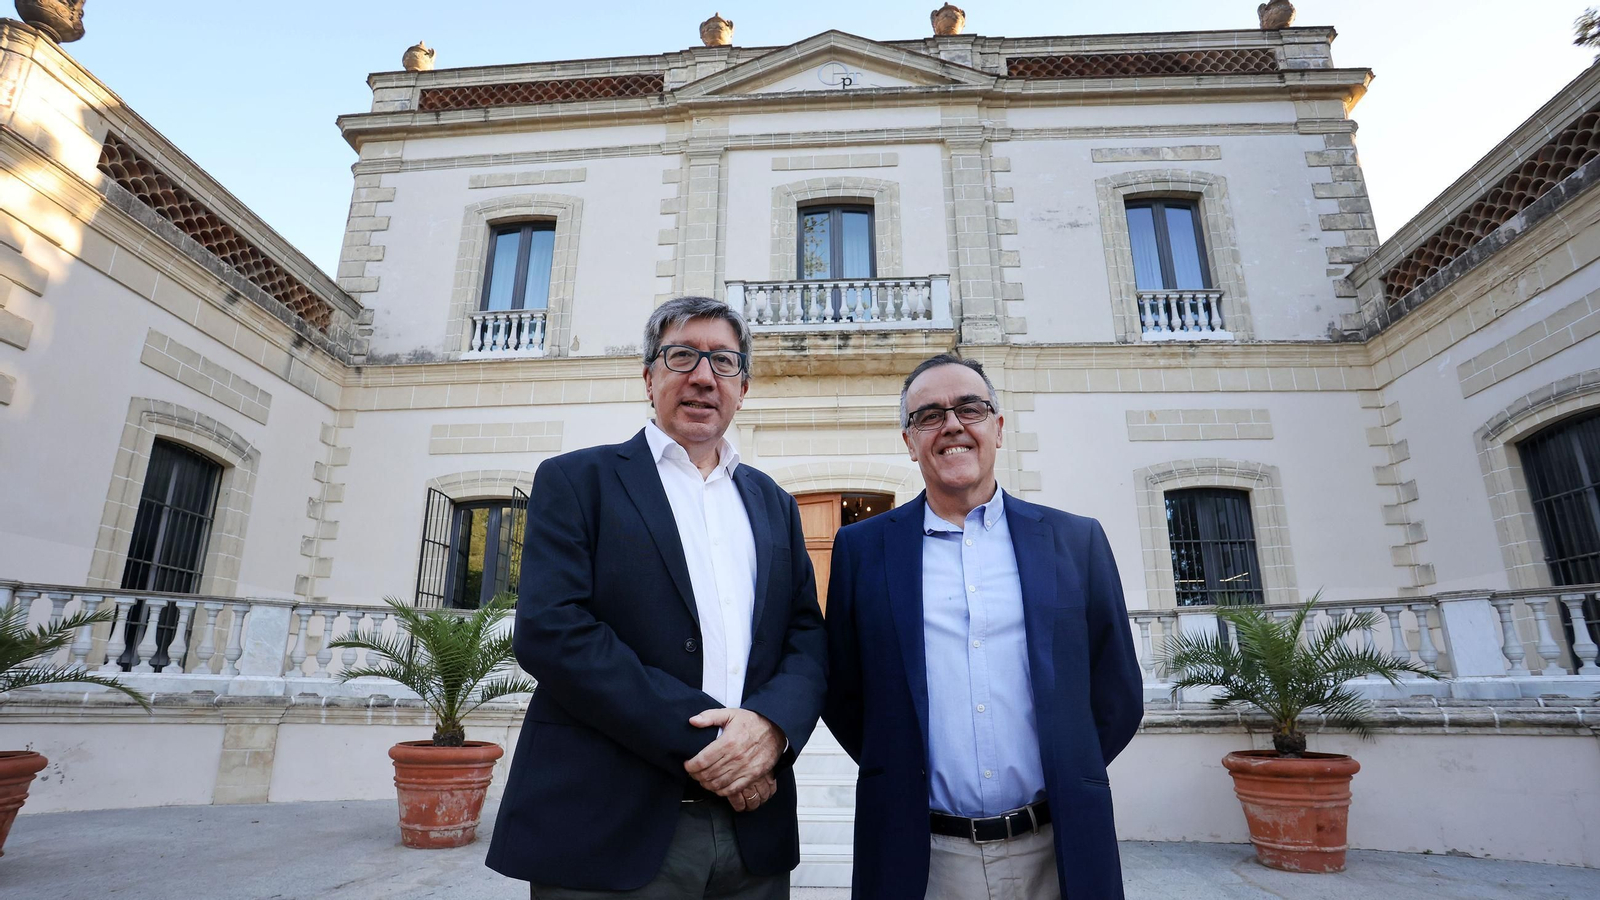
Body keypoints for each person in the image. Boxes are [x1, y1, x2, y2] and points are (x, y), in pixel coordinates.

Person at [486, 296, 828, 899]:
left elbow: (806, 635)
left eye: (723, 361)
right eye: (682, 356)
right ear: (649, 377)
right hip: (608, 827)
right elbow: (553, 632)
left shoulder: (773, 501)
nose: (703, 375)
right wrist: (721, 748)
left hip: (754, 835)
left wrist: (772, 731)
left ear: (742, 387)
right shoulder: (576, 481)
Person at [822, 353, 1144, 900]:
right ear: (909, 440)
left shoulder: (1076, 541)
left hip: (1057, 848)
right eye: (929, 415)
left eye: (969, 408)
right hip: (922, 857)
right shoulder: (862, 550)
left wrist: (1068, 768)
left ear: (997, 426)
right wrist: (901, 767)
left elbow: (1117, 692)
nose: (951, 425)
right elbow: (844, 692)